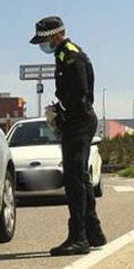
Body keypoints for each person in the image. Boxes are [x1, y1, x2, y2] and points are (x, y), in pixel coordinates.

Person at [30, 15, 106, 256]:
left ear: (56, 35)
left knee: (75, 181)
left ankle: (79, 237)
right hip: (78, 121)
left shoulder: (71, 55)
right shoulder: (62, 55)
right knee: (80, 178)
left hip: (79, 122)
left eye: (44, 40)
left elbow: (81, 95)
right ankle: (93, 232)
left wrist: (64, 114)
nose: (43, 46)